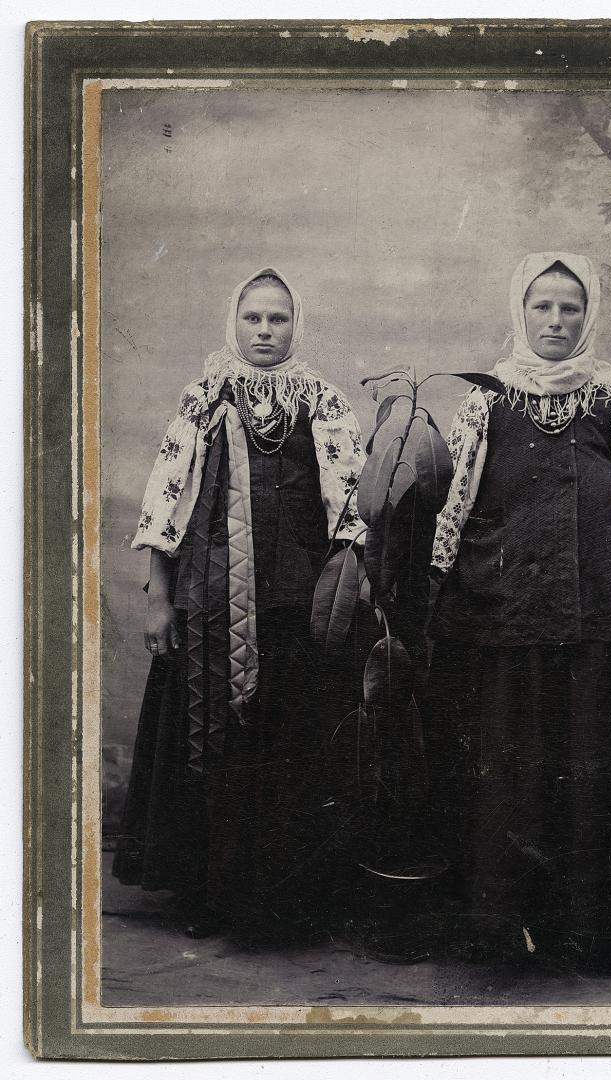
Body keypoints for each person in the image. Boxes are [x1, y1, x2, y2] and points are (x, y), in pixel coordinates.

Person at [426, 252, 611, 969]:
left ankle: (589, 924)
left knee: (591, 763)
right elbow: (454, 499)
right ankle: (507, 922)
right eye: (542, 306)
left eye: (569, 307)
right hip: (505, 611)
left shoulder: (610, 396)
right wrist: (435, 575)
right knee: (510, 763)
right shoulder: (486, 399)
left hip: (599, 610)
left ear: (587, 315)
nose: (555, 319)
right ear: (520, 311)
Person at [113, 266, 366, 943]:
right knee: (216, 745)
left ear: (295, 325)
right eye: (253, 318)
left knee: (293, 745)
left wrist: (347, 592)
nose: (264, 331)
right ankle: (210, 893)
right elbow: (163, 508)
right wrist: (159, 600)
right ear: (236, 323)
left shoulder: (324, 403)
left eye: (277, 318)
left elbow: (351, 512)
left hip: (298, 607)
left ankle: (290, 898)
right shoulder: (203, 400)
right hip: (209, 604)